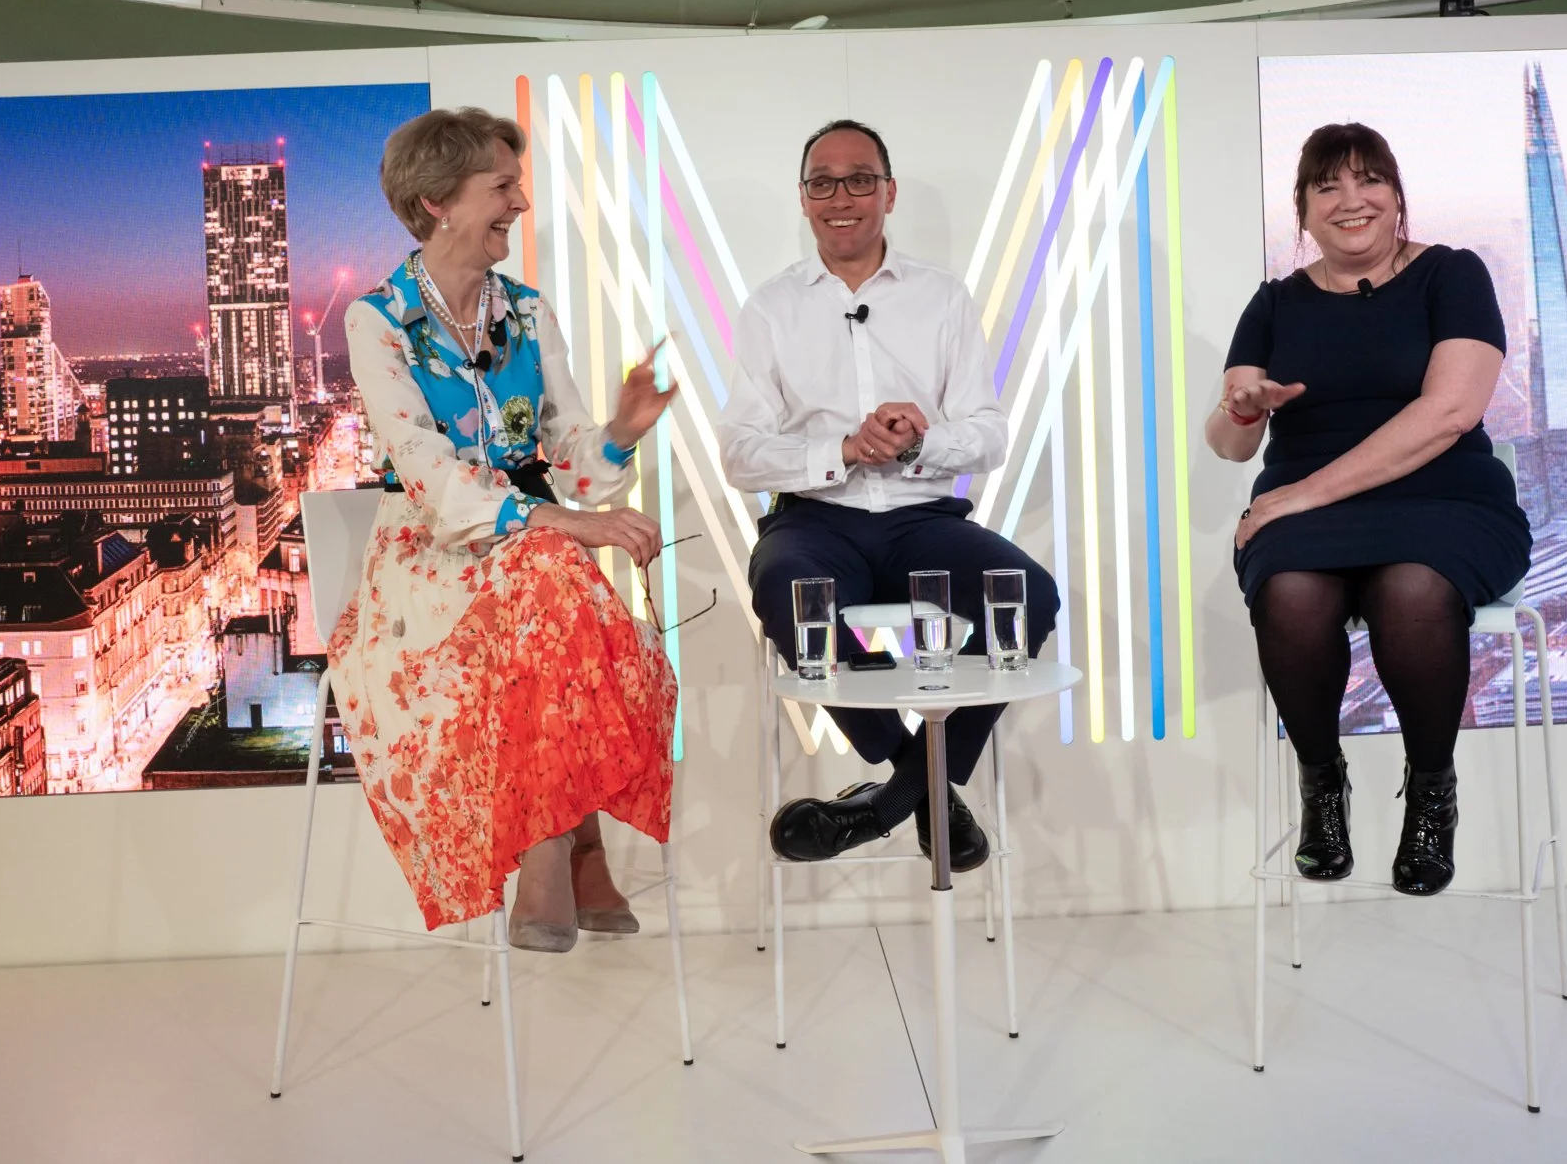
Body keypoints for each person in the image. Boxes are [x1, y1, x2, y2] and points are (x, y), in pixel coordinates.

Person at [331, 106, 680, 953]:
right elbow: (430, 476)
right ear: (438, 200)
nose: (520, 203)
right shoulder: (378, 321)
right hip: (430, 556)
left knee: (548, 576)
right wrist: (566, 521)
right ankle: (571, 846)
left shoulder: (526, 311)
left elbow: (570, 458)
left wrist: (620, 432)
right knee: (557, 573)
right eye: (503, 186)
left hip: (532, 560)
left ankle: (554, 849)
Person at [720, 119, 1061, 872]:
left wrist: (917, 442)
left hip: (923, 520)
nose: (841, 197)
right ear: (803, 199)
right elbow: (740, 454)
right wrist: (841, 450)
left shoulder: (942, 297)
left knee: (1029, 594)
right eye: (823, 182)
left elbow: (990, 434)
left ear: (889, 192)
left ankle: (888, 802)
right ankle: (928, 790)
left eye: (860, 179)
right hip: (816, 520)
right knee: (784, 587)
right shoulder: (771, 308)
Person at [1212, 121, 1531, 897]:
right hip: (1305, 519)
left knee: (1411, 588)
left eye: (1369, 180)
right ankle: (1322, 783)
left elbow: (1450, 413)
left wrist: (1299, 495)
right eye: (1327, 186)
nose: (1350, 200)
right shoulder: (1275, 303)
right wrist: (1243, 410)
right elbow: (1228, 443)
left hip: (1444, 499)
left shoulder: (1452, 275)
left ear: (1397, 196)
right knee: (1290, 592)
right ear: (1302, 209)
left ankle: (1431, 790)